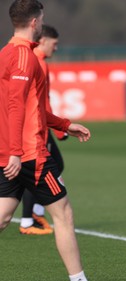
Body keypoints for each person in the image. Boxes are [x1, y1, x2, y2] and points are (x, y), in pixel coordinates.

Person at [0, 1, 89, 280]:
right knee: (64, 215)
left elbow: (31, 107)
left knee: (2, 217)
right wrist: (16, 151)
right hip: (28, 154)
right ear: (35, 23)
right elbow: (15, 105)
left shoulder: (6, 53)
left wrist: (64, 125)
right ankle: (79, 279)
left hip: (11, 152)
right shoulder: (26, 58)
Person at [19, 24, 66, 235]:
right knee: (37, 171)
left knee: (50, 166)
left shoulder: (27, 59)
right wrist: (58, 129)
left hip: (29, 126)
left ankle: (34, 214)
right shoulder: (38, 62)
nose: (55, 49)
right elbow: (41, 102)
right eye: (54, 44)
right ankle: (29, 219)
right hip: (36, 128)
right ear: (44, 40)